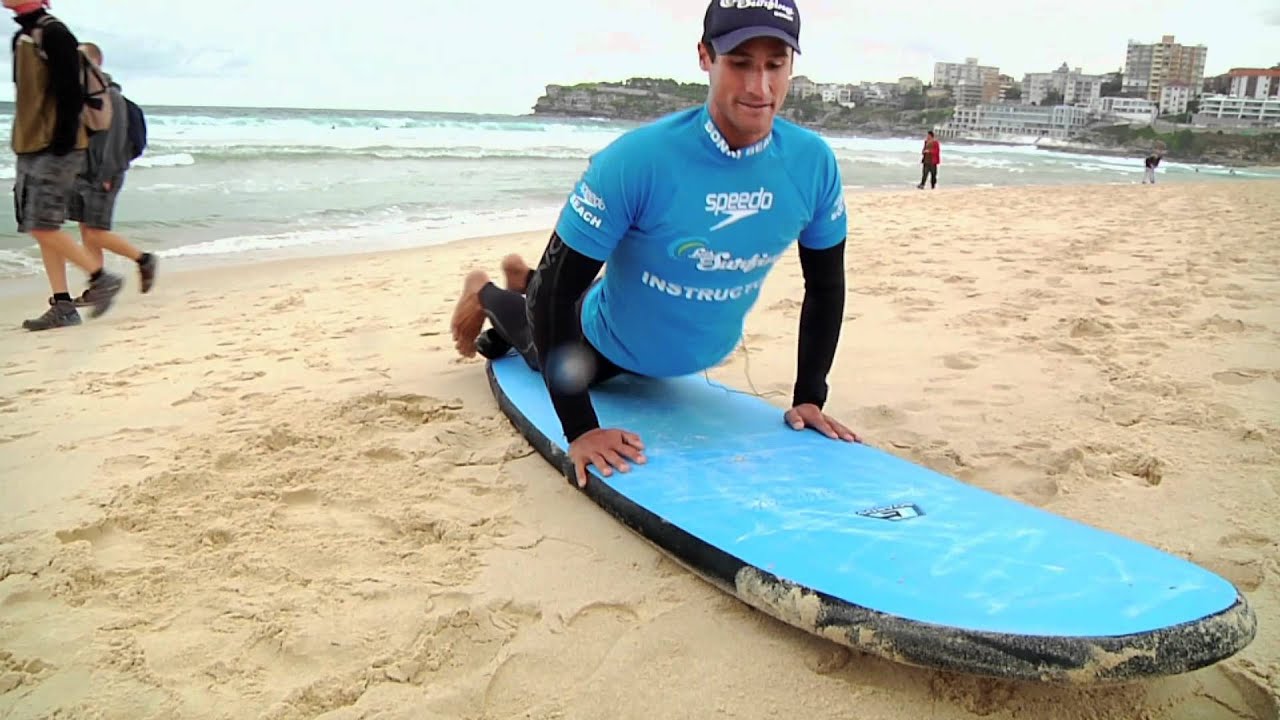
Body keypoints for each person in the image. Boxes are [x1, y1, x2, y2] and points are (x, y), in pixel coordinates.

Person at [451, 0, 860, 488]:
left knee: (552, 292)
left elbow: (826, 286)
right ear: (705, 56)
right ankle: (486, 292)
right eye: (740, 63)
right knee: (536, 340)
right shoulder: (636, 161)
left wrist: (809, 396)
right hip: (605, 342)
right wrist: (581, 430)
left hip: (653, 334)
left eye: (775, 64)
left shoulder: (812, 165)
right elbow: (554, 295)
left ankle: (524, 279)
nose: (759, 86)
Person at [7, 0, 123, 331]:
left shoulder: (55, 33)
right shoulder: (23, 36)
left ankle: (102, 279)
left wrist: (60, 144)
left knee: (42, 225)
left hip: (55, 147)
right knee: (39, 226)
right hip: (30, 144)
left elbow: (71, 93)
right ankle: (63, 305)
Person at [67, 41, 157, 306]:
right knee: (88, 232)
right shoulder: (84, 94)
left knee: (95, 232)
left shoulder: (109, 97)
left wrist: (106, 175)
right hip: (85, 172)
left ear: (96, 63)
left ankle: (144, 259)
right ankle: (98, 287)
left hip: (103, 174)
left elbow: (114, 142)